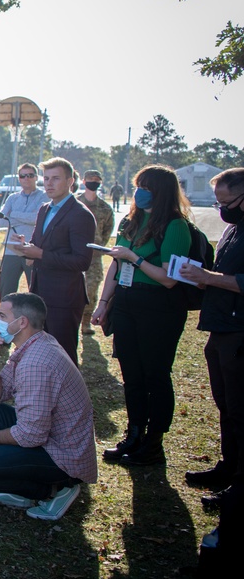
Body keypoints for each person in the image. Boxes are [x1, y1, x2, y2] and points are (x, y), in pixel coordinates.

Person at [0, 293, 98, 520]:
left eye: (2, 315)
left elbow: (31, 435)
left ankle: (53, 490)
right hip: (51, 436)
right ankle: (15, 487)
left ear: (21, 322)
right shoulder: (36, 344)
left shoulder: (36, 364)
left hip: (63, 456)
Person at [91, 165, 192, 465]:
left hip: (158, 307)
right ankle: (134, 434)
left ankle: (153, 444)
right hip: (126, 302)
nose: (139, 192)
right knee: (132, 376)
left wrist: (134, 258)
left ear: (161, 191)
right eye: (137, 185)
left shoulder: (175, 226)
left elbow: (169, 278)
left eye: (145, 186)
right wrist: (103, 302)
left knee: (155, 375)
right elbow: (115, 265)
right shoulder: (130, 221)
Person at [179, 168, 244, 510]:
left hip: (239, 331)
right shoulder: (234, 230)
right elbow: (225, 275)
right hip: (220, 327)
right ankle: (229, 468)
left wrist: (210, 277)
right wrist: (204, 279)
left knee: (240, 408)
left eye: (227, 201)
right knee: (225, 405)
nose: (222, 208)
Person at [10, 157, 95, 366]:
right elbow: (39, 245)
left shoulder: (80, 214)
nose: (49, 183)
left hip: (64, 298)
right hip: (40, 294)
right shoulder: (44, 209)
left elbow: (82, 261)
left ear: (70, 181)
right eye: (46, 178)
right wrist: (25, 246)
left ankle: (67, 398)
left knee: (63, 357)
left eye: (55, 178)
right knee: (41, 355)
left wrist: (40, 254)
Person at [0, 163, 49, 299]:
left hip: (32, 250)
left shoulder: (44, 197)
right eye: (23, 176)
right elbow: (2, 221)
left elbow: (38, 219)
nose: (26, 178)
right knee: (6, 291)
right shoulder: (12, 198)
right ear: (19, 178)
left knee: (36, 291)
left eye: (30, 175)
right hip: (11, 250)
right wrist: (27, 216)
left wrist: (14, 214)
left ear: (36, 177)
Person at [78, 169, 115, 334]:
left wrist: (98, 245)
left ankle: (85, 322)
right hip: (73, 253)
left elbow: (108, 230)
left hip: (94, 256)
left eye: (97, 179)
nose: (94, 182)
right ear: (84, 181)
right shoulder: (75, 203)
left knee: (91, 289)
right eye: (91, 179)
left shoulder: (105, 208)